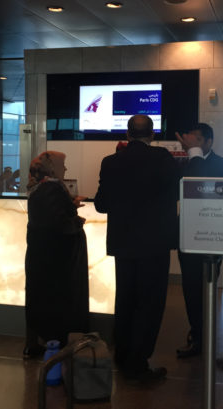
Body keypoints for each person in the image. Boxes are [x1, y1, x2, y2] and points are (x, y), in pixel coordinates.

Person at [94, 115, 179, 384]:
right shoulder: (163, 159)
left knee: (126, 299)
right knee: (149, 303)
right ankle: (138, 363)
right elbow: (177, 192)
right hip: (154, 244)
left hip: (123, 244)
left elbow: (101, 205)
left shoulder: (111, 162)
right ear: (151, 134)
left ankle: (123, 353)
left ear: (128, 134)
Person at [174, 123, 223, 358]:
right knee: (190, 288)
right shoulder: (182, 162)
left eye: (197, 140)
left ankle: (205, 333)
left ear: (209, 142)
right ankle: (196, 333)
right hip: (187, 234)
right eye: (190, 140)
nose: (192, 145)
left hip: (213, 236)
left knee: (208, 288)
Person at [24, 151, 89, 359]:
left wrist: (70, 205)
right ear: (53, 167)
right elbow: (58, 225)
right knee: (55, 303)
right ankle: (55, 343)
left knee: (38, 299)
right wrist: (77, 219)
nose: (65, 169)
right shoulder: (52, 188)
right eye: (63, 164)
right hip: (55, 261)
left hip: (41, 256)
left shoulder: (39, 187)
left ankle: (35, 342)